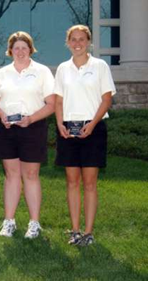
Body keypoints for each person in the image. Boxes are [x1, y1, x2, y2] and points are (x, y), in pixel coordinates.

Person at [0, 31, 55, 239]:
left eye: (24, 48)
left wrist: (31, 119)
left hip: (33, 127)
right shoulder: (2, 74)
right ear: (10, 51)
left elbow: (51, 104)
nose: (20, 52)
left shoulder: (42, 72)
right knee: (11, 175)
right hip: (7, 128)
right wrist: (2, 116)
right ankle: (9, 221)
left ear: (30, 49)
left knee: (31, 175)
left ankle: (34, 224)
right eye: (16, 48)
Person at [54, 25, 116, 246]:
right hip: (68, 129)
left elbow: (106, 99)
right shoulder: (62, 68)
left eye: (82, 39)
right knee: (72, 181)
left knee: (89, 183)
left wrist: (92, 124)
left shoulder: (100, 66)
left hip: (94, 128)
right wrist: (59, 123)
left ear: (89, 42)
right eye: (73, 39)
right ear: (68, 42)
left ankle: (88, 232)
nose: (77, 43)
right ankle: (75, 230)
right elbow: (58, 101)